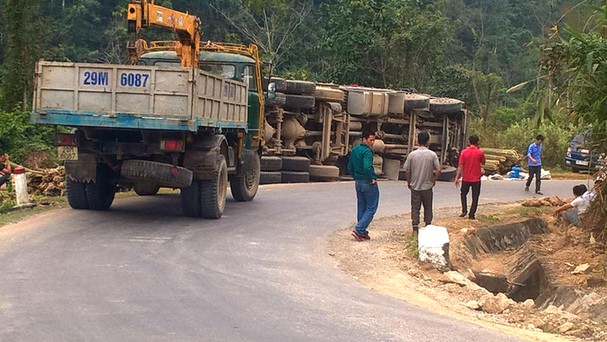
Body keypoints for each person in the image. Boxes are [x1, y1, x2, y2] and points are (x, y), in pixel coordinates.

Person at [403, 131, 441, 233]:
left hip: (415, 186)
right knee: (428, 206)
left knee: (415, 207)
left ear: (417, 141)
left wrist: (409, 181)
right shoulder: (432, 155)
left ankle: (415, 227)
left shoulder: (412, 155)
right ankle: (428, 225)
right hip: (427, 186)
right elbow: (438, 169)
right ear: (428, 141)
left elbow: (407, 170)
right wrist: (433, 180)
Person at [347, 130, 379, 241]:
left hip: (358, 182)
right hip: (368, 182)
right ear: (364, 139)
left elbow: (350, 167)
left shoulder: (354, 150)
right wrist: (372, 178)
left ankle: (362, 231)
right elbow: (367, 167)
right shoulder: (367, 152)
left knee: (362, 206)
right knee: (371, 208)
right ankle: (359, 230)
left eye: (374, 140)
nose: (372, 143)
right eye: (371, 140)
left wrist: (355, 177)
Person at [455, 135, 486, 219]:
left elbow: (460, 166)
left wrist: (457, 177)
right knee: (475, 196)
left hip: (466, 178)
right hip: (476, 179)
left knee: (463, 194)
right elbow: (483, 162)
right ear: (477, 142)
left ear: (469, 141)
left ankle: (464, 210)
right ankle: (472, 214)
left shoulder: (464, 152)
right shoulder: (480, 152)